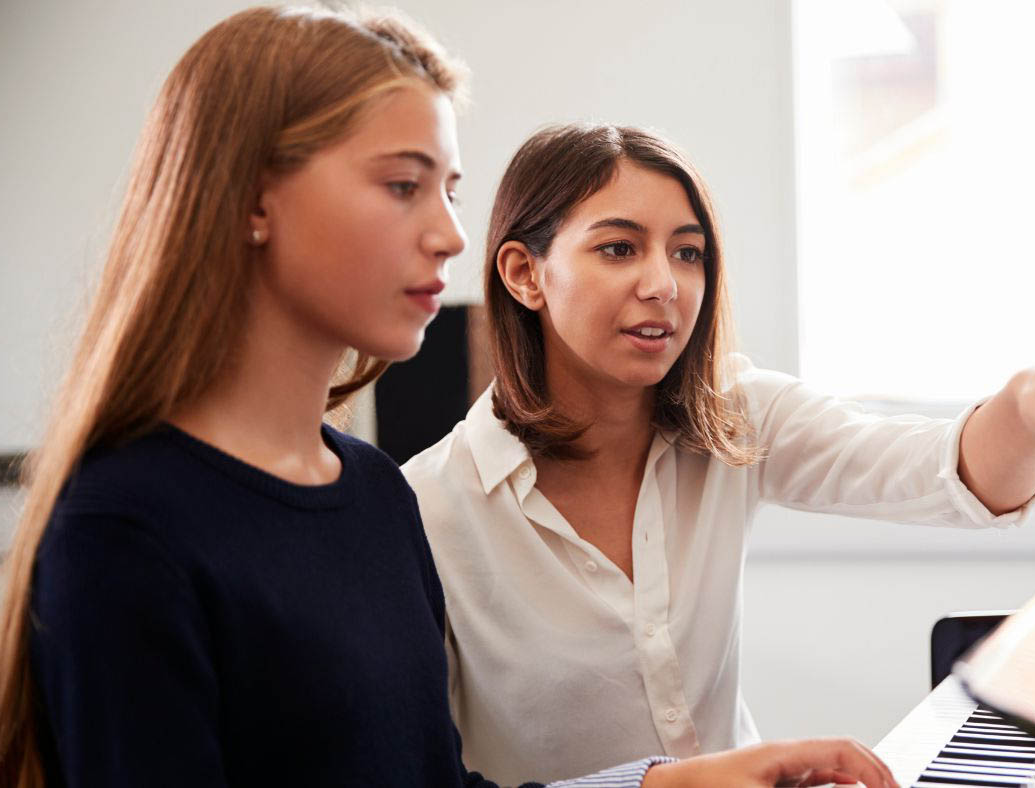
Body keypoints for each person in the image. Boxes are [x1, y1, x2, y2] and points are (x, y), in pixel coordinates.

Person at [0, 9, 897, 788]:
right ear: (251, 201)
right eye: (402, 185)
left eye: (449, 190)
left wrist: (672, 782)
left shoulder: (373, 495)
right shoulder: (127, 528)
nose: (450, 234)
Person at [400, 122, 1035, 782]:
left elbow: (942, 470)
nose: (665, 284)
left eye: (688, 252)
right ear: (524, 273)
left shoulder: (734, 416)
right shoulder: (426, 509)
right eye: (618, 249)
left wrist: (1032, 410)